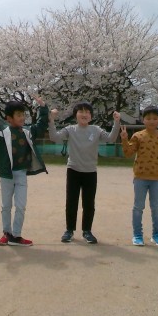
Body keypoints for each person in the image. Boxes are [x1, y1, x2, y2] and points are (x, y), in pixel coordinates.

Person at [0, 97, 49, 246]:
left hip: (21, 173)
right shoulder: (2, 133)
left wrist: (43, 107)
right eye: (18, 115)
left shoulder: (27, 132)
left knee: (21, 206)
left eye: (23, 114)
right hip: (6, 175)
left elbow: (41, 125)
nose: (22, 117)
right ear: (9, 118)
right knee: (6, 206)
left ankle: (16, 235)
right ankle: (7, 233)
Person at [49, 102, 121, 244]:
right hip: (73, 170)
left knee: (89, 203)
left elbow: (111, 139)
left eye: (87, 112)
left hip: (90, 172)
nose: (84, 114)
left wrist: (116, 122)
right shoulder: (70, 129)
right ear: (75, 115)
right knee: (71, 202)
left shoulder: (96, 130)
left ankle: (87, 231)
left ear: (91, 116)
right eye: (81, 111)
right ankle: (69, 230)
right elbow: (54, 137)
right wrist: (51, 120)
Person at [120, 106, 158, 246]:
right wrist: (124, 139)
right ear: (143, 120)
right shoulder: (138, 136)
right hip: (140, 178)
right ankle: (137, 235)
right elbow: (128, 153)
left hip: (157, 179)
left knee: (156, 208)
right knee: (138, 207)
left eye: (155, 118)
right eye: (148, 118)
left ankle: (157, 235)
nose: (151, 121)